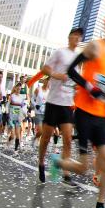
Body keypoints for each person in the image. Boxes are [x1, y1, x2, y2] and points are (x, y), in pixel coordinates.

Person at [49, 14, 105, 208]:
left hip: (101, 115)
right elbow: (71, 70)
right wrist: (88, 86)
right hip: (84, 112)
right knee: (84, 167)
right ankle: (58, 161)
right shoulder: (95, 47)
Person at [37, 27, 81, 186]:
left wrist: (76, 87)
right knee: (46, 137)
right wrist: (56, 75)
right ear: (69, 36)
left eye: (79, 36)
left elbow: (75, 79)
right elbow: (45, 68)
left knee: (68, 139)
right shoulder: (60, 52)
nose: (77, 38)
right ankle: (41, 162)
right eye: (75, 35)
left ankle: (66, 174)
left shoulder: (78, 58)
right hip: (53, 102)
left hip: (67, 104)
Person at [31, 78, 49, 147]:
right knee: (40, 130)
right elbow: (32, 98)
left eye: (49, 82)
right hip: (38, 112)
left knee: (44, 132)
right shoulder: (38, 89)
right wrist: (36, 105)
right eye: (47, 81)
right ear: (44, 81)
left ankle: (39, 142)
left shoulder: (50, 91)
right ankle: (35, 138)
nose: (48, 83)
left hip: (46, 113)